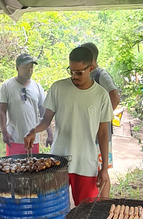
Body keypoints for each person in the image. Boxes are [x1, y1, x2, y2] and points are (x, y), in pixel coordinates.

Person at [24, 47, 113, 206]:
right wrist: (33, 131)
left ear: (90, 68)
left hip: (86, 163)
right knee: (54, 209)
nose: (74, 76)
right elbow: (46, 119)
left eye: (79, 72)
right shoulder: (58, 88)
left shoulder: (101, 95)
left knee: (86, 212)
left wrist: (104, 168)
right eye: (71, 71)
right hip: (58, 162)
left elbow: (103, 133)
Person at [80, 42, 121, 198]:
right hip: (86, 131)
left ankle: (103, 205)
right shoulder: (84, 75)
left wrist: (101, 118)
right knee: (89, 168)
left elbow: (115, 97)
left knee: (102, 169)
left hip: (100, 132)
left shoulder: (100, 75)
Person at [0, 53, 53, 156]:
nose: (29, 70)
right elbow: (2, 111)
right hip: (14, 138)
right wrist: (4, 132)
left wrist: (49, 133)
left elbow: (44, 113)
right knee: (14, 168)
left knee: (32, 168)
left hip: (33, 139)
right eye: (25, 67)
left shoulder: (37, 87)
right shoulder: (7, 86)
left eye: (31, 67)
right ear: (17, 68)